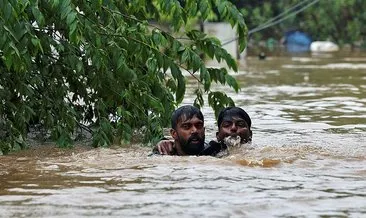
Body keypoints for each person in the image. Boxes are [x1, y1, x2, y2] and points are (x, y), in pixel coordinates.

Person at [153, 106, 252, 156]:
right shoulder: (163, 154)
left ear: (204, 130)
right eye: (187, 126)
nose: (195, 130)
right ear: (174, 134)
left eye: (199, 125)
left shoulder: (214, 150)